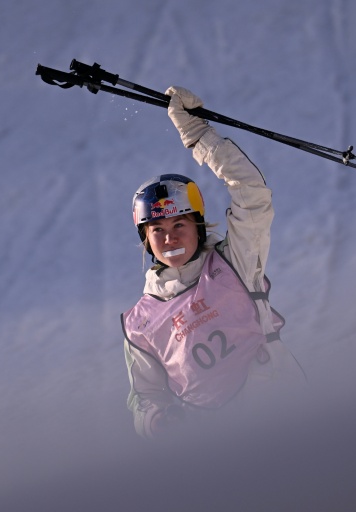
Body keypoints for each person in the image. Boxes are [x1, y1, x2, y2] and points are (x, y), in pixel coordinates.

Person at [122, 86, 303, 439]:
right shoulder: (139, 323)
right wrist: (156, 420)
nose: (170, 238)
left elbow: (251, 193)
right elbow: (144, 396)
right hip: (217, 444)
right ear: (145, 239)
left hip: (287, 416)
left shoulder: (235, 262)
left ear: (199, 226)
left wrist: (198, 135)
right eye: (157, 230)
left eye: (179, 225)